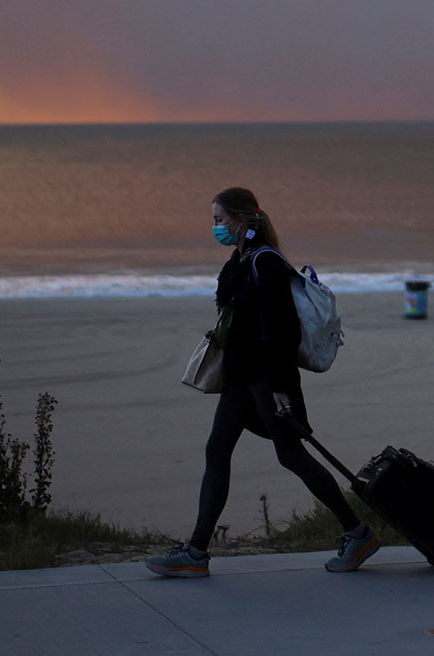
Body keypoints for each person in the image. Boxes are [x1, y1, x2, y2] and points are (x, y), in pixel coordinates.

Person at [146, 187, 377, 577]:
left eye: (219, 220)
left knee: (291, 456)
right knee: (217, 451)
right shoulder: (244, 258)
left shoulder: (265, 262)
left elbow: (282, 332)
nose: (215, 227)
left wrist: (280, 388)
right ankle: (196, 553)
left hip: (266, 380)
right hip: (242, 377)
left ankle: (357, 533)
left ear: (241, 219)